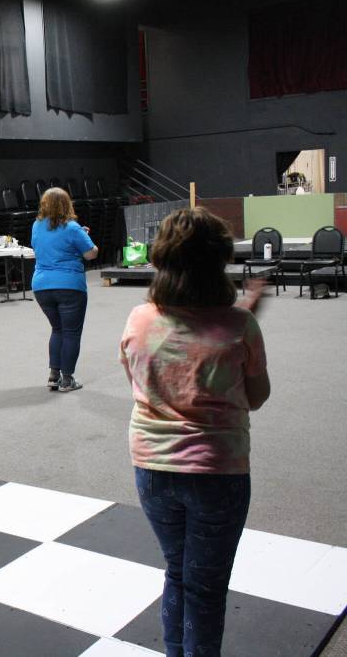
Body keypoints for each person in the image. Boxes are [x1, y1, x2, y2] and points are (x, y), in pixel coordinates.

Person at [119, 207, 270, 657]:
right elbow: (257, 396)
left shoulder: (139, 319)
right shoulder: (240, 326)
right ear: (219, 260)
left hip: (152, 467)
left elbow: (140, 380)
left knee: (177, 572)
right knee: (206, 588)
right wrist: (242, 320)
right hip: (217, 472)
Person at [30, 187, 98, 392]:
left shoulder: (37, 225)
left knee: (57, 329)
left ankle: (53, 375)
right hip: (69, 286)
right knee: (71, 333)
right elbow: (91, 254)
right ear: (67, 204)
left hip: (41, 286)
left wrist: (78, 236)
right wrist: (82, 238)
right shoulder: (72, 227)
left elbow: (46, 246)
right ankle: (67, 380)